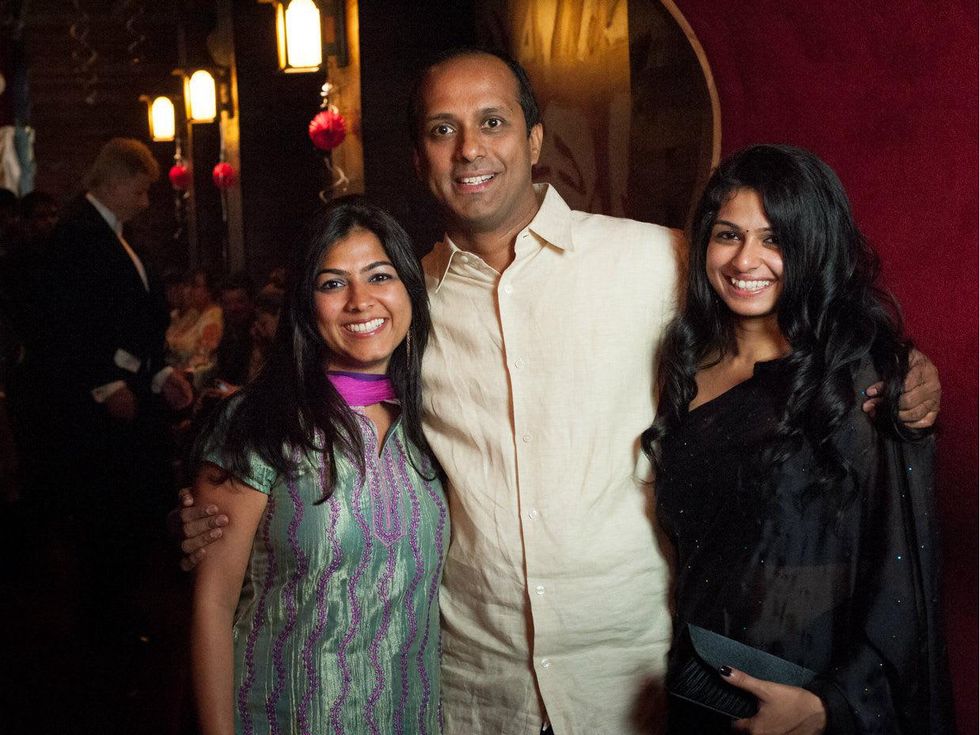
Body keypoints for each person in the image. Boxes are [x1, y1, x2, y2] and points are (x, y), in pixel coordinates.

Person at [181, 50, 941, 734]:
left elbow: (785, 321)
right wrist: (216, 515)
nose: (471, 148)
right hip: (475, 691)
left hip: (633, 685)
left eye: (492, 122)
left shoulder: (656, 260)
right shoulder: (405, 306)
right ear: (418, 158)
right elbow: (307, 406)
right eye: (444, 130)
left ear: (535, 141)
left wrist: (906, 373)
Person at [643, 144, 952, 733]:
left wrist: (829, 705)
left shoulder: (862, 379)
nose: (746, 260)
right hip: (702, 690)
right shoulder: (683, 367)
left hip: (813, 701)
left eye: (775, 239)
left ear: (813, 247)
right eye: (728, 235)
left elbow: (904, 576)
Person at [190, 197, 447, 734]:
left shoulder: (435, 421)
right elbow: (213, 604)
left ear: (409, 290)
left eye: (380, 275)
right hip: (284, 717)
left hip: (412, 718)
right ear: (306, 305)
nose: (360, 301)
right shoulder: (259, 422)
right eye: (333, 284)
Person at [166, 267, 224, 377]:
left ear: (209, 291)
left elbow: (204, 360)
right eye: (189, 286)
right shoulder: (198, 315)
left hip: (194, 380)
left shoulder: (213, 317)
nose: (188, 291)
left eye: (195, 286)